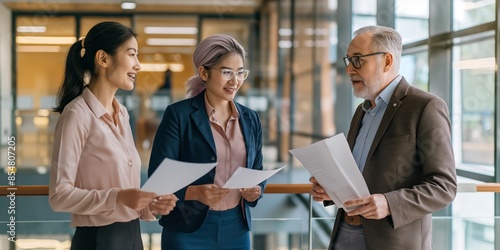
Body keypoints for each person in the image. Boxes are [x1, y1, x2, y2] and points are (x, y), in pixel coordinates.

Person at [310, 25, 457, 250]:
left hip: (392, 241)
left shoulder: (425, 106)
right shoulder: (361, 111)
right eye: (348, 60)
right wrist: (332, 188)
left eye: (358, 60)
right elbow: (360, 176)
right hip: (344, 233)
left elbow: (444, 186)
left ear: (387, 61)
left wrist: (389, 203)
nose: (349, 69)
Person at [48, 21, 178, 250]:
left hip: (131, 235)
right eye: (132, 54)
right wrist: (118, 197)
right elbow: (60, 196)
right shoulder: (77, 115)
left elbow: (125, 193)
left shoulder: (123, 114)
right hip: (97, 240)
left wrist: (151, 204)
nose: (138, 65)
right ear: (103, 59)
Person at [148, 34, 265, 250]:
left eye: (240, 73)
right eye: (227, 72)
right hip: (186, 227)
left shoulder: (251, 119)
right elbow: (158, 176)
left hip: (236, 228)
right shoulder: (178, 115)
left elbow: (257, 170)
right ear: (204, 72)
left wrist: (256, 190)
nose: (235, 81)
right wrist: (195, 192)